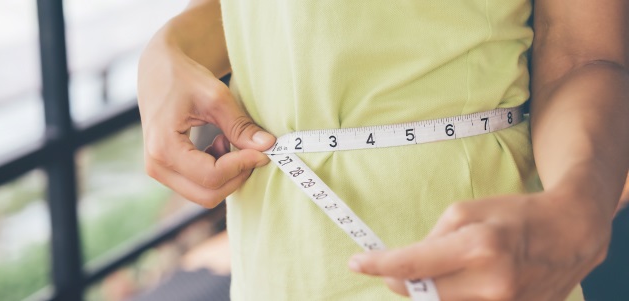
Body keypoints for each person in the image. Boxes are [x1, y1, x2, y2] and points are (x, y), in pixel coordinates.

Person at [137, 0, 629, 300]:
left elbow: (581, 52)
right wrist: (170, 49)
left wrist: (580, 205)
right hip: (273, 264)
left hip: (471, 258)